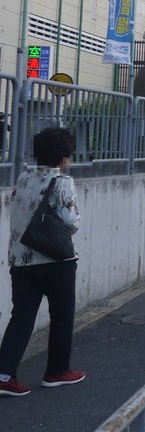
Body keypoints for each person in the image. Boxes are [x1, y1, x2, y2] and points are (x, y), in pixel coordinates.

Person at [0, 126, 84, 397]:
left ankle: (4, 375)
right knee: (61, 316)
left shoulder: (23, 178)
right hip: (56, 260)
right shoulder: (62, 182)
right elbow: (71, 222)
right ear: (63, 157)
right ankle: (57, 372)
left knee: (21, 318)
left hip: (21, 259)